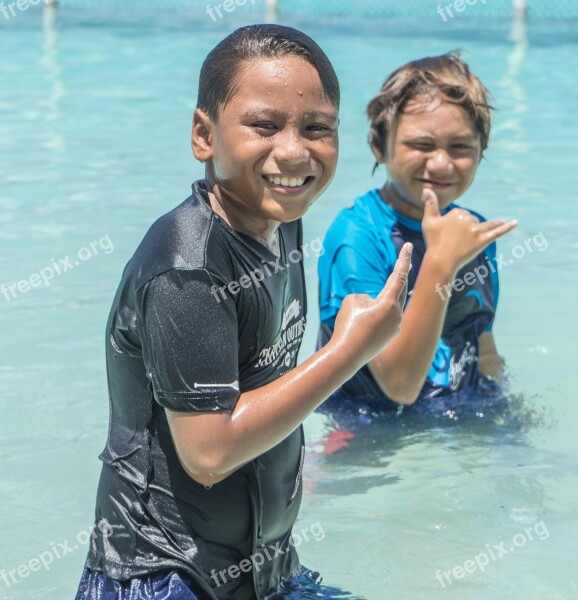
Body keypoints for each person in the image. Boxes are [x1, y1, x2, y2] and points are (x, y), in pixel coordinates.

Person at [74, 24, 412, 600]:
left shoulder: (280, 220)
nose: (294, 150)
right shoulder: (190, 266)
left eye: (317, 129)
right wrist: (351, 351)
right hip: (164, 576)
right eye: (263, 125)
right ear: (204, 135)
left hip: (265, 567)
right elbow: (210, 452)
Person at [317, 53, 518, 417]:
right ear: (380, 146)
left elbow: (482, 343)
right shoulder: (356, 236)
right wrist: (441, 261)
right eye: (422, 145)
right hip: (374, 429)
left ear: (481, 151)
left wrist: (506, 413)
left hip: (459, 413)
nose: (441, 163)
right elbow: (399, 386)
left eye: (460, 147)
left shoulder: (469, 229)